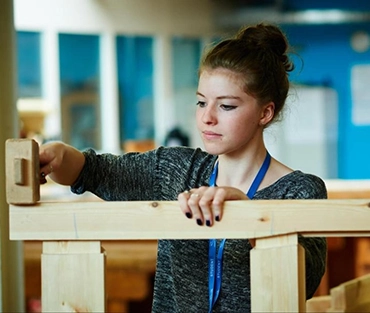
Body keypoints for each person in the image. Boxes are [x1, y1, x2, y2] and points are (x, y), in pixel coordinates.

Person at [39, 23, 327, 313]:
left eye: (226, 106)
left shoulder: (301, 190)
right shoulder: (175, 170)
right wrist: (58, 156)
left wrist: (250, 216)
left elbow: (307, 280)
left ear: (265, 112)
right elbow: (90, 171)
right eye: (202, 102)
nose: (207, 118)